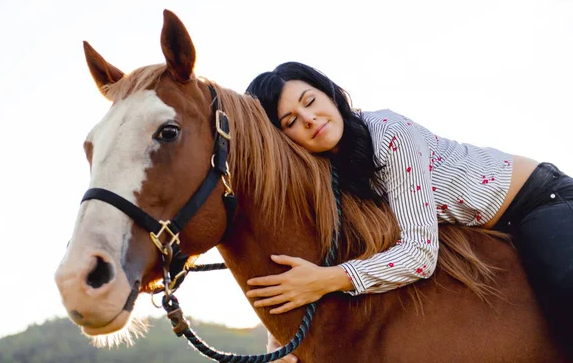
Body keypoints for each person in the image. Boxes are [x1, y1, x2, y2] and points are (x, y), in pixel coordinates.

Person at [244, 62, 573, 362]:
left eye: (310, 101)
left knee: (565, 289)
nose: (309, 119)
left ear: (329, 93)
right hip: (483, 228)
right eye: (291, 121)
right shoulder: (327, 175)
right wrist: (281, 345)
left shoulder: (388, 132)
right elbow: (321, 258)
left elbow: (419, 255)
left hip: (539, 199)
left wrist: (328, 281)